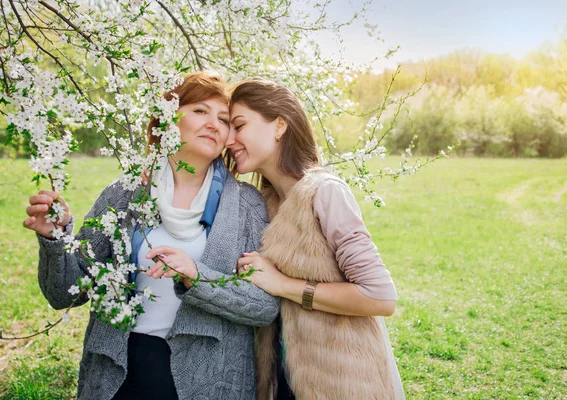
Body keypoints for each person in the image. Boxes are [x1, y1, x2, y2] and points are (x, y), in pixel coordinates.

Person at [23, 71, 279, 400]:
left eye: (225, 119)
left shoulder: (246, 206)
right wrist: (56, 241)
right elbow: (65, 294)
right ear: (168, 120)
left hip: (208, 380)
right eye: (201, 111)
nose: (214, 124)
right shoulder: (125, 193)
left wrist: (196, 277)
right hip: (119, 374)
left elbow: (264, 308)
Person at [226, 79, 405, 400]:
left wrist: (283, 285)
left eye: (238, 125)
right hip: (282, 382)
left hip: (341, 382)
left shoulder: (325, 193)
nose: (229, 139)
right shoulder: (261, 203)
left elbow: (380, 298)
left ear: (279, 125)